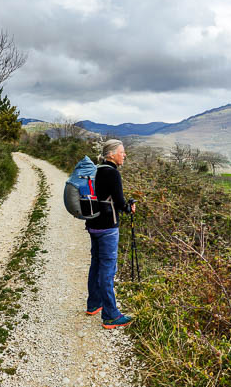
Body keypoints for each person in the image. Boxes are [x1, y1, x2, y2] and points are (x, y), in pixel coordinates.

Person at [85, 139, 134, 329]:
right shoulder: (112, 173)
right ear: (111, 154)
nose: (124, 155)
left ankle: (94, 304)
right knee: (108, 269)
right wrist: (130, 208)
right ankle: (111, 315)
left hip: (93, 225)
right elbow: (120, 203)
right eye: (122, 152)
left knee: (96, 264)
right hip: (107, 228)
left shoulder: (95, 170)